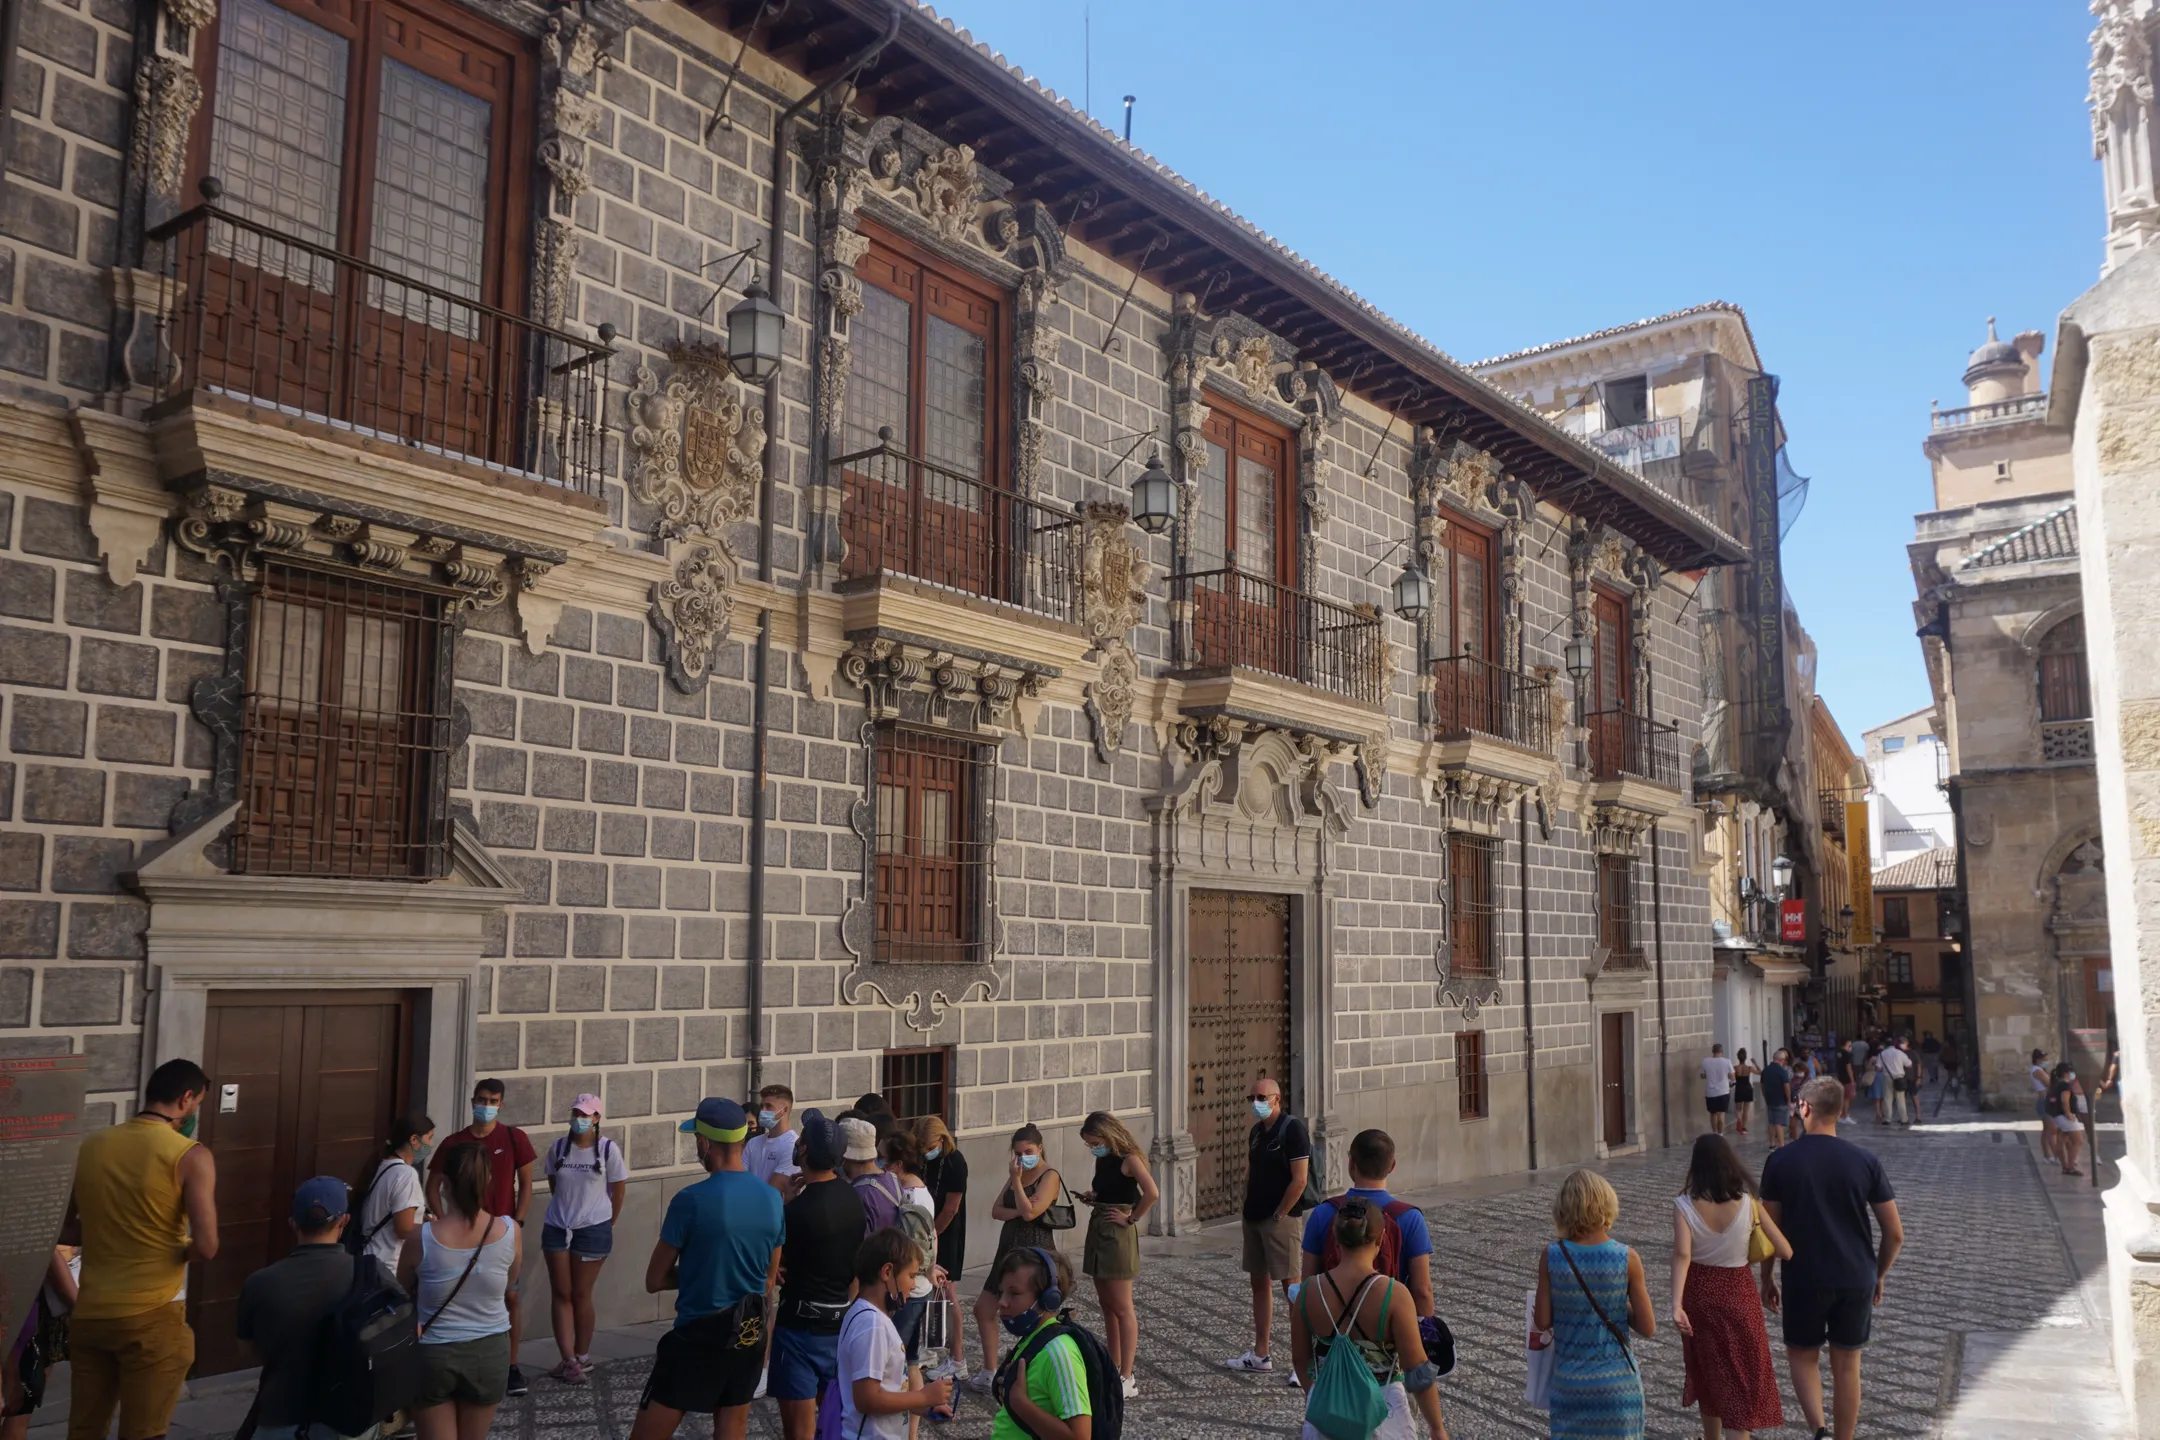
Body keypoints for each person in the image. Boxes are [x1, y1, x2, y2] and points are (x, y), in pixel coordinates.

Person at [60, 1057, 220, 1440]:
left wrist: (112, 1233)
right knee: (144, 1432)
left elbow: (67, 1228)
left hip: (92, 1314)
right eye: (197, 1104)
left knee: (84, 1430)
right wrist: (179, 1249)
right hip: (152, 1315)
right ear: (186, 1099)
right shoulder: (191, 1155)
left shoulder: (92, 1146)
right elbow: (207, 1246)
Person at [1759, 1076, 1904, 1440]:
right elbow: (1895, 1233)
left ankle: (1819, 1431)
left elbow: (1769, 1231)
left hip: (1804, 1277)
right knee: (1848, 1363)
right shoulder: (1865, 1161)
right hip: (1856, 1275)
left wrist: (1767, 1278)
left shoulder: (1780, 1161)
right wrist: (1878, 1273)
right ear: (1840, 1111)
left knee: (1802, 1355)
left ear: (1805, 1108)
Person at [631, 1098, 784, 1440]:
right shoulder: (773, 1198)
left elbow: (654, 1279)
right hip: (748, 1334)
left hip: (698, 1336)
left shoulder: (690, 1200)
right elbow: (768, 1278)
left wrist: (701, 1271)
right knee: (732, 1426)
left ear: (704, 1143)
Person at [1288, 1198, 1450, 1440]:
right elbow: (1417, 1369)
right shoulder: (1394, 1295)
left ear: (1335, 1237)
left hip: (1327, 1414)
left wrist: (1319, 1396)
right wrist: (1437, 1428)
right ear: (1381, 1238)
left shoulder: (1309, 1291)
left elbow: (1300, 1359)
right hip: (1385, 1412)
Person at [1670, 1136, 1791, 1440]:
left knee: (1707, 1370)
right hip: (1739, 1293)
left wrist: (1676, 1304)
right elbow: (1785, 1250)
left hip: (1699, 1294)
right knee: (1740, 1375)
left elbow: (1682, 1255)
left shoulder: (1684, 1205)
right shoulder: (1749, 1204)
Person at [399, 1141, 518, 1440]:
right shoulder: (510, 1232)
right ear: (487, 1180)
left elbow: (401, 1292)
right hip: (489, 1352)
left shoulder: (421, 1238)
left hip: (434, 1352)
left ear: (445, 1183)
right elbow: (510, 1283)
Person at [237, 1178, 372, 1440]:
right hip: (347, 1420)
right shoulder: (369, 1273)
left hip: (279, 1417)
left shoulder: (258, 1283)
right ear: (344, 1221)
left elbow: (247, 1350)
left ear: (293, 1224)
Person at [426, 1079, 536, 1398]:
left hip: (501, 1234)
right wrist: (443, 1220)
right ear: (472, 1100)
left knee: (510, 1297)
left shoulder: (514, 1138)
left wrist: (517, 1221)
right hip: (461, 1234)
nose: (486, 1106)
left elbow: (526, 1183)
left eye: (493, 1101)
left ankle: (511, 1366)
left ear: (501, 1104)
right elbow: (433, 1185)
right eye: (482, 1099)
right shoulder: (454, 1143)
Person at [1532, 1170, 1654, 1440]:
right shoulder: (1628, 1258)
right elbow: (1648, 1327)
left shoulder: (1552, 1256)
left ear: (1563, 1209)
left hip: (1570, 1385)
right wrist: (1615, 1303)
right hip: (1618, 1386)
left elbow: (1542, 1320)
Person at [770, 1113, 864, 1440]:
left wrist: (788, 1203)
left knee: (799, 1432)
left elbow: (776, 1267)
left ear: (804, 1150)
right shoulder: (853, 1198)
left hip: (799, 1328)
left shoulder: (795, 1212)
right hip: (839, 1324)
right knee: (833, 1425)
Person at [1299, 1130, 1435, 1321]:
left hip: (1334, 1326)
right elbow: (1422, 1290)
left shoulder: (1323, 1213)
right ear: (1392, 1166)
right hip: (1387, 1326)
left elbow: (1307, 1284)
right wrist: (1424, 1330)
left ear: (1351, 1164)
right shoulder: (1410, 1218)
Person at [1225, 1076, 1310, 1376]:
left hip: (1280, 1220)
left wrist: (1280, 1214)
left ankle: (1304, 1362)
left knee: (1292, 1288)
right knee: (1258, 1284)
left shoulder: (1292, 1129)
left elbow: (1300, 1179)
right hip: (1254, 1217)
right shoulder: (1256, 1132)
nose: (1256, 1103)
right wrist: (1245, 1202)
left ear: (1277, 1099)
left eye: (1262, 1097)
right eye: (1252, 1098)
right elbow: (1251, 1170)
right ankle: (1261, 1354)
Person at [968, 1124, 1063, 1391]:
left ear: (1040, 1149)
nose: (1023, 1158)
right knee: (983, 1309)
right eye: (1018, 1153)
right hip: (1007, 1250)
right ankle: (990, 1371)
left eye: (1028, 1152)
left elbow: (1031, 1213)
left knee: (1035, 1316)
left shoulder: (1049, 1176)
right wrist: (1019, 1204)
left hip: (1033, 1251)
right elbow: (997, 1210)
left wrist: (1018, 1186)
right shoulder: (1016, 1174)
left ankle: (1041, 1371)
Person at [541, 1094, 627, 1384]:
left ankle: (582, 1355)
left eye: (585, 1114)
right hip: (558, 1225)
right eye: (576, 1113)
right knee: (561, 1292)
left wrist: (608, 1221)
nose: (579, 1119)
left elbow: (618, 1189)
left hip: (592, 1229)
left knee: (581, 1293)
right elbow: (554, 1184)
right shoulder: (558, 1148)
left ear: (596, 1118)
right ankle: (568, 1359)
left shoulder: (607, 1150)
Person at [841, 1228, 956, 1440]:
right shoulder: (872, 1326)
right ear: (887, 1272)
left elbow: (887, 1390)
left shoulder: (866, 1314)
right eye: (911, 1276)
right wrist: (923, 1397)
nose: (913, 1285)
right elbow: (867, 1399)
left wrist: (925, 1406)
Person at [1077, 1111, 1158, 1399]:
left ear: (1108, 1135)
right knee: (1107, 1305)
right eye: (1090, 1144)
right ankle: (1113, 1365)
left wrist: (1132, 1218)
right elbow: (1110, 1188)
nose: (1093, 1148)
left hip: (1117, 1234)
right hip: (1099, 1227)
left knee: (1123, 1307)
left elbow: (1151, 1193)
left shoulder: (1130, 1159)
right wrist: (1094, 1196)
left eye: (1095, 1142)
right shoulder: (1105, 1159)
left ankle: (1127, 1375)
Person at [988, 1247, 1092, 1440]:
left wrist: (1021, 1404)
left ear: (1048, 1299)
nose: (1002, 1302)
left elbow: (1081, 1437)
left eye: (1014, 1293)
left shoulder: (1059, 1353)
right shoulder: (1033, 1338)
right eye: (1002, 1292)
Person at [2, 1246, 78, 1440]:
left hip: (31, 1323)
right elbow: (51, 1252)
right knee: (18, 1412)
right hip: (28, 1322)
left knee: (19, 1410)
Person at [914, 1115, 970, 1376]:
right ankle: (931, 1348)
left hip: (945, 1233)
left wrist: (931, 1236)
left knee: (947, 1294)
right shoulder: (925, 1160)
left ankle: (957, 1359)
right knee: (930, 1292)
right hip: (929, 1231)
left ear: (942, 1139)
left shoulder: (955, 1162)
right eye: (922, 1147)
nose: (926, 1151)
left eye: (930, 1146)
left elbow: (951, 1209)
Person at [357, 1115, 434, 1278]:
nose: (430, 1145)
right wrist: (434, 1228)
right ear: (414, 1140)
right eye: (429, 1137)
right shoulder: (406, 1174)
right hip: (388, 1268)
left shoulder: (383, 1166)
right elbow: (404, 1229)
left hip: (370, 1260)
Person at [745, 1084, 801, 1193]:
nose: (762, 1111)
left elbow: (773, 1192)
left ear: (785, 1110)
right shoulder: (753, 1143)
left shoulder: (793, 1145)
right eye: (762, 1106)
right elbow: (739, 1180)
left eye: (768, 1106)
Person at [2049, 1062, 2086, 1177]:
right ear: (2066, 1073)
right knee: (2077, 1141)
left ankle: (2065, 1166)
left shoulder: (2056, 1084)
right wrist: (2068, 1113)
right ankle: (2070, 1166)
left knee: (2062, 1139)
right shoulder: (2065, 1085)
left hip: (2057, 1116)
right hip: (2064, 1116)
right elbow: (2064, 1100)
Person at [1758, 1051, 1792, 1153]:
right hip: (1780, 1100)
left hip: (1770, 1100)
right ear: (1781, 1060)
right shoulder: (1782, 1071)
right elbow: (1786, 1087)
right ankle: (1781, 1145)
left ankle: (1772, 1144)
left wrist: (1765, 1097)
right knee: (1779, 1123)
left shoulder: (1766, 1070)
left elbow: (1762, 1086)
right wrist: (1789, 1100)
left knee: (1771, 1122)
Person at [2031, 1049, 2059, 1166]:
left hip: (2045, 1101)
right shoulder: (2037, 1070)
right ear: (2038, 1059)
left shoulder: (2040, 1070)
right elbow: (2050, 1084)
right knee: (2052, 1129)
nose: (2046, 1061)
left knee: (2047, 1130)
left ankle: (2047, 1155)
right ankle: (2057, 1156)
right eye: (2044, 1059)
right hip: (2044, 1102)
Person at [1700, 1044, 1735, 1136]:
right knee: (1721, 1114)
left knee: (1713, 1114)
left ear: (1713, 1052)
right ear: (1721, 1052)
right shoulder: (1727, 1061)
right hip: (1723, 1092)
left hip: (1710, 1092)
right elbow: (1732, 1077)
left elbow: (1702, 1076)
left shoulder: (1705, 1061)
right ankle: (1720, 1134)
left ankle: (1714, 1133)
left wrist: (1709, 1075)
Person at [1877, 1041, 1912, 1127]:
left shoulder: (1881, 1054)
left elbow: (1878, 1067)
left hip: (1887, 1077)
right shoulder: (1900, 1053)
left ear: (1885, 1045)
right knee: (1900, 1099)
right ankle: (1904, 1119)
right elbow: (1909, 1064)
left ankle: (1887, 1118)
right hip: (1899, 1077)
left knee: (1887, 1098)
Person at [1731, 1049, 1757, 1136]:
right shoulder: (1749, 1068)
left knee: (1738, 1109)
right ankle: (1743, 1127)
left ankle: (1739, 1120)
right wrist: (1755, 1063)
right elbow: (1760, 1072)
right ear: (1745, 1057)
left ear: (1738, 1057)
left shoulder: (1735, 1068)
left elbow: (1731, 1077)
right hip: (1748, 1089)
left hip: (1739, 1089)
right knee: (1746, 1111)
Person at [1834, 1043, 1857, 1125]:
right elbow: (1848, 1067)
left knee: (1843, 1097)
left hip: (1840, 1077)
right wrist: (1852, 1080)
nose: (1851, 1047)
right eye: (1849, 1045)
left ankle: (1842, 1115)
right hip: (1847, 1079)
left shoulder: (1838, 1053)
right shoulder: (1847, 1054)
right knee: (1848, 1097)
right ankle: (1845, 1115)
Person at [1939, 1038, 1964, 1104]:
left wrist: (1942, 1059)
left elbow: (1941, 1054)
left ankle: (1954, 1084)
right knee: (1953, 1074)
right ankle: (1954, 1084)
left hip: (1950, 1062)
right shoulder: (1954, 1047)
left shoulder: (1947, 1048)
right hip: (1952, 1062)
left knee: (1951, 1074)